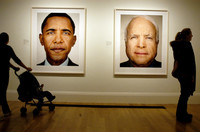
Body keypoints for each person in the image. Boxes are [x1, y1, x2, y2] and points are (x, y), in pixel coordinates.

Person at [0, 32, 32, 120]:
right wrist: (26, 67)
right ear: (7, 40)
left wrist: (14, 67)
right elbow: (16, 59)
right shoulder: (8, 48)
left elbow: (5, 61)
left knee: (1, 92)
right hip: (3, 73)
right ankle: (6, 111)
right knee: (2, 92)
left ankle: (6, 110)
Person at [170, 28, 196, 122]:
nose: (192, 36)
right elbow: (190, 62)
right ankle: (182, 115)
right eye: (191, 34)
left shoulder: (177, 45)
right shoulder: (187, 45)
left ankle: (181, 114)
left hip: (180, 73)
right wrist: (192, 76)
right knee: (185, 94)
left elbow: (178, 60)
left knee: (184, 94)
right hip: (186, 73)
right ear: (187, 35)